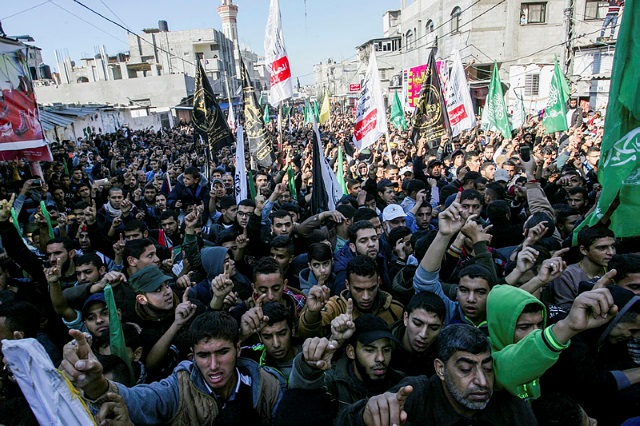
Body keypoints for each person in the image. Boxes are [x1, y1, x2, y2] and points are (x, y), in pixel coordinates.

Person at [60, 311, 283, 425]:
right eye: (204, 355)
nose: (213, 366)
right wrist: (97, 386)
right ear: (192, 356)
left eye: (222, 352)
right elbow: (141, 400)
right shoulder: (179, 387)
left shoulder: (268, 386)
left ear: (238, 349)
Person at [337, 324, 538, 425]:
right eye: (466, 369)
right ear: (440, 369)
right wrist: (365, 414)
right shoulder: (415, 396)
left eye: (487, 368)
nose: (482, 381)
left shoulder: (512, 410)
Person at [289, 314, 405, 414]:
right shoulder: (332, 384)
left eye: (386, 350)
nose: (380, 358)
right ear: (351, 352)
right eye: (370, 350)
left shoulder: (401, 382)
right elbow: (300, 393)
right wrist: (308, 366)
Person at [298, 255, 403, 338]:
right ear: (347, 285)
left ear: (379, 281)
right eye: (358, 289)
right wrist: (312, 313)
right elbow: (306, 335)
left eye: (371, 288)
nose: (366, 297)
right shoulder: (335, 308)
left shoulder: (396, 310)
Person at [390, 291, 445, 377]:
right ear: (406, 318)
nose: (423, 334)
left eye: (433, 328)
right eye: (417, 324)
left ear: (442, 327)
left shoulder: (443, 355)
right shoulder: (386, 348)